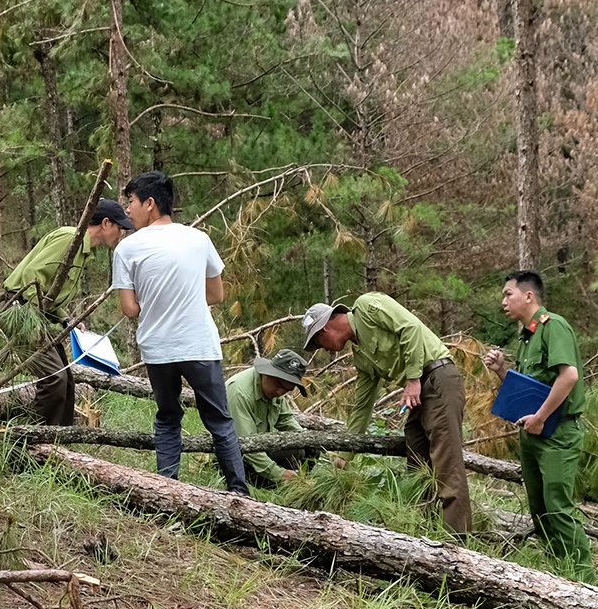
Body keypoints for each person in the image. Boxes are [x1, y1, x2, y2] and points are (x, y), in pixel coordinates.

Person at [111, 171, 249, 495]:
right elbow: (216, 295)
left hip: (159, 349)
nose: (127, 210)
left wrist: (157, 301)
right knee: (220, 422)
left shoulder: (127, 249)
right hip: (199, 344)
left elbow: (129, 309)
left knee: (169, 417)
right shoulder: (198, 239)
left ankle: (167, 490)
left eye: (130, 202)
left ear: (150, 203)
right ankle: (239, 493)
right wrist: (182, 299)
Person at [302, 294, 471, 534]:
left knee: (447, 465)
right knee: (418, 462)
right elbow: (362, 408)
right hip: (420, 392)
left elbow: (410, 327)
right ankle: (427, 535)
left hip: (437, 377)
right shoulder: (361, 357)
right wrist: (343, 457)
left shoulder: (367, 306)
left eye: (319, 343)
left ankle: (457, 543)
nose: (323, 349)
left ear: (324, 329)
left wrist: (412, 378)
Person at [481, 269, 593, 580]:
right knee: (540, 510)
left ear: (528, 296)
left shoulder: (552, 326)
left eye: (508, 294)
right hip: (533, 432)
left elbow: (568, 376)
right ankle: (560, 575)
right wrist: (503, 370)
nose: (504, 301)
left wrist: (541, 417)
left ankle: (584, 584)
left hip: (557, 432)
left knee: (558, 507)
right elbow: (531, 389)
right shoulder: (527, 336)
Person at [0, 199, 136, 424]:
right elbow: (32, 277)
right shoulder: (70, 239)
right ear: (106, 223)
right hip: (19, 310)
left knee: (66, 379)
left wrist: (65, 320)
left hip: (33, 314)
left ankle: (61, 440)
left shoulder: (83, 250)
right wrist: (33, 321)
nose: (121, 233)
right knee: (54, 379)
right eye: (120, 227)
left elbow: (51, 294)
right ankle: (35, 443)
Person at [225, 348, 311, 487]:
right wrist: (279, 474)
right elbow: (247, 444)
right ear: (267, 372)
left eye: (287, 390)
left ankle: (300, 483)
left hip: (261, 446)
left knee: (306, 447)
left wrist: (310, 440)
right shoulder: (239, 392)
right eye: (279, 385)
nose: (280, 392)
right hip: (238, 455)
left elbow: (286, 421)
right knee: (294, 453)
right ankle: (279, 483)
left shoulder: (274, 390)